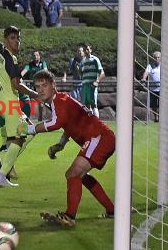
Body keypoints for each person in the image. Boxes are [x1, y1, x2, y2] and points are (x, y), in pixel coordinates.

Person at [18, 69, 115, 228]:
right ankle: (112, 211)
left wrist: (27, 129)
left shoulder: (59, 101)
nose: (41, 89)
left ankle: (69, 216)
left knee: (73, 173)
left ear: (53, 85)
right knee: (80, 175)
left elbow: (55, 123)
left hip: (99, 137)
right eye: (37, 86)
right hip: (100, 137)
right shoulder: (60, 100)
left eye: (44, 85)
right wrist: (61, 144)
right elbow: (67, 123)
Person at [0, 26, 38, 187]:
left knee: (26, 132)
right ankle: (3, 175)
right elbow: (16, 84)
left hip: (1, 103)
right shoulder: (11, 59)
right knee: (20, 137)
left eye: (18, 38)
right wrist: (36, 95)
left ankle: (8, 166)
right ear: (6, 39)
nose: (17, 41)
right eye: (13, 38)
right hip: (11, 104)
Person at [0, 40, 33, 179]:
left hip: (17, 104)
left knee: (24, 134)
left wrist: (34, 95)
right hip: (4, 106)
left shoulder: (7, 61)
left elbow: (17, 84)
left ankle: (6, 166)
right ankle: (1, 167)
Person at [21, 51, 48, 120]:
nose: (35, 57)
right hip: (31, 86)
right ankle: (27, 119)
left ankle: (40, 118)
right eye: (33, 55)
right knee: (27, 103)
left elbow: (46, 71)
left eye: (36, 55)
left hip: (39, 86)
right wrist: (19, 77)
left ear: (39, 56)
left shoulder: (43, 63)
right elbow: (24, 71)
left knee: (41, 102)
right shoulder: (29, 65)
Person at [80, 44, 105, 117]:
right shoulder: (83, 61)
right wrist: (79, 70)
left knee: (93, 104)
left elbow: (102, 72)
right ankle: (89, 122)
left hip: (92, 84)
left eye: (88, 49)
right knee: (86, 104)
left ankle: (97, 122)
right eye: (85, 50)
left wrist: (97, 81)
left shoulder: (95, 59)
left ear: (91, 50)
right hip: (85, 84)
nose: (86, 51)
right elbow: (82, 75)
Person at [141, 51, 161, 122]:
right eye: (156, 57)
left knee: (161, 104)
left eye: (158, 57)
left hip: (162, 89)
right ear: (153, 58)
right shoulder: (150, 66)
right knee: (154, 105)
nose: (157, 59)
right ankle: (156, 117)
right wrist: (144, 78)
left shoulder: (163, 66)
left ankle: (161, 117)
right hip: (153, 89)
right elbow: (146, 72)